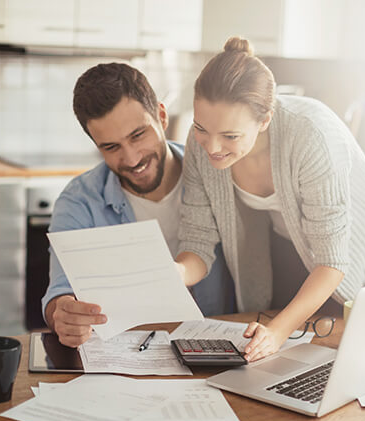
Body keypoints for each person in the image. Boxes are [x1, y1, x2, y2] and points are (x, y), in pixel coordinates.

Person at [175, 37, 365, 362]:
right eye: (201, 128)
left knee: (346, 346)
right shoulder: (201, 145)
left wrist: (278, 332)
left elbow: (332, 261)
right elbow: (197, 241)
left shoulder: (311, 136)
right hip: (288, 236)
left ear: (265, 119)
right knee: (281, 350)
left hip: (351, 244)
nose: (211, 147)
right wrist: (176, 273)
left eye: (230, 136)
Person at [42, 62, 235, 347]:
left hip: (219, 347)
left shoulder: (215, 174)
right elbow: (60, 292)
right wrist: (63, 314)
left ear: (161, 115)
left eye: (138, 135)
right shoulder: (79, 200)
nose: (132, 159)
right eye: (111, 147)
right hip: (127, 353)